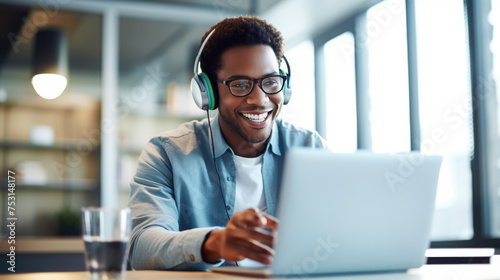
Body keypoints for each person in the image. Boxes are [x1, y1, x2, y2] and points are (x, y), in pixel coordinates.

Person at [128, 15, 328, 271]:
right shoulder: (166, 154)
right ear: (208, 93)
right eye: (240, 84)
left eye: (270, 82)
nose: (259, 99)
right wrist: (213, 243)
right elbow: (141, 247)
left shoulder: (310, 149)